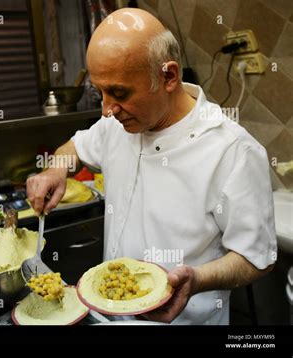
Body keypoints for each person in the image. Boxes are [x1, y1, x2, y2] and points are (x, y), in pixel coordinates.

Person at [26, 8, 277, 324]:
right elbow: (77, 145)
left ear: (168, 76)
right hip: (107, 316)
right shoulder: (117, 123)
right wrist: (55, 169)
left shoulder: (233, 150)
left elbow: (257, 258)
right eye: (99, 92)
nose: (106, 109)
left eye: (118, 92)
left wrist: (197, 280)